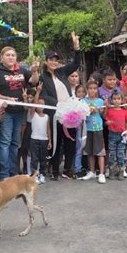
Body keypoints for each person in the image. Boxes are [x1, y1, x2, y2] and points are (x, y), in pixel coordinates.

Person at [0, 47, 39, 180]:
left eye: (13, 55)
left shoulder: (21, 70)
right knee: (5, 142)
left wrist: (34, 71)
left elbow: (34, 82)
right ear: (2, 57)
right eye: (7, 55)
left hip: (20, 112)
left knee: (15, 143)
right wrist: (6, 99)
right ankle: (5, 174)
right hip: (6, 112)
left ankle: (14, 171)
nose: (11, 57)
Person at [40, 32, 81, 180]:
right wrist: (58, 105)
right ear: (46, 62)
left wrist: (76, 47)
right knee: (56, 143)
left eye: (56, 60)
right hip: (55, 114)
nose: (54, 62)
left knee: (71, 141)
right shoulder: (42, 77)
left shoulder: (62, 72)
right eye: (51, 59)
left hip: (69, 114)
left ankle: (68, 169)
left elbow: (76, 63)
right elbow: (44, 96)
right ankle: (55, 170)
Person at [80, 81, 106, 184]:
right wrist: (87, 112)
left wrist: (99, 110)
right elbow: (81, 116)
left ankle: (102, 173)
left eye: (95, 88)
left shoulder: (100, 101)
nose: (92, 90)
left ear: (97, 90)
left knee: (99, 152)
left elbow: (103, 115)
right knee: (89, 152)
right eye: (90, 88)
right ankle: (91, 171)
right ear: (87, 89)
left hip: (98, 129)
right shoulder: (83, 101)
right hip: (87, 129)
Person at [104, 90, 127, 180]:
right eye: (114, 99)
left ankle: (121, 171)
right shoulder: (110, 111)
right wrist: (108, 123)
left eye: (118, 99)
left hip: (121, 135)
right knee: (112, 154)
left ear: (122, 100)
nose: (116, 101)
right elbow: (106, 120)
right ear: (111, 100)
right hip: (112, 135)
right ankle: (111, 170)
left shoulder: (125, 111)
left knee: (120, 154)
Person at [29, 82, 52, 184]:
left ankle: (42, 174)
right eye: (39, 103)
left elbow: (48, 129)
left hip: (44, 140)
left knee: (43, 159)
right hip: (34, 139)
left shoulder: (47, 116)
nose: (40, 105)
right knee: (34, 158)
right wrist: (37, 91)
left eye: (42, 104)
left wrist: (50, 141)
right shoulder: (33, 114)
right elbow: (34, 104)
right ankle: (34, 175)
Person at [20, 88, 36, 175]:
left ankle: (31, 166)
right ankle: (25, 164)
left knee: (30, 148)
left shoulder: (36, 105)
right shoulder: (25, 105)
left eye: (31, 97)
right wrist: (25, 99)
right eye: (28, 97)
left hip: (32, 126)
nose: (30, 99)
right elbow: (25, 108)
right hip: (25, 126)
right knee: (23, 147)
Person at [74, 84, 87, 178]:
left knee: (83, 148)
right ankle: (77, 169)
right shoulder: (74, 102)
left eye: (83, 91)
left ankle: (81, 166)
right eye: (79, 92)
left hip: (85, 127)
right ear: (75, 93)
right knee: (79, 148)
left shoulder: (85, 102)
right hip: (78, 127)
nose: (81, 93)